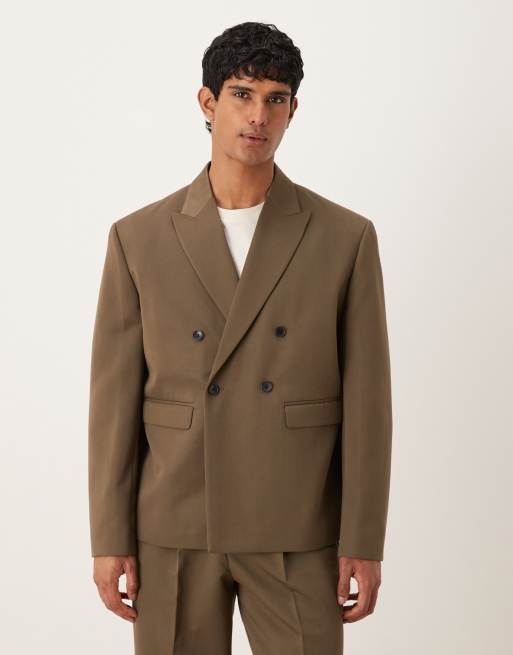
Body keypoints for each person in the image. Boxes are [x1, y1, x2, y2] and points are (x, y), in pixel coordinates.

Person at [88, 21, 393, 655]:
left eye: (276, 99)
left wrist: (363, 539)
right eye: (242, 94)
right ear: (208, 102)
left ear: (293, 111)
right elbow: (113, 403)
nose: (259, 116)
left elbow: (369, 403)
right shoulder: (138, 238)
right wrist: (109, 537)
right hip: (175, 519)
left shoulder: (345, 237)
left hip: (297, 520)